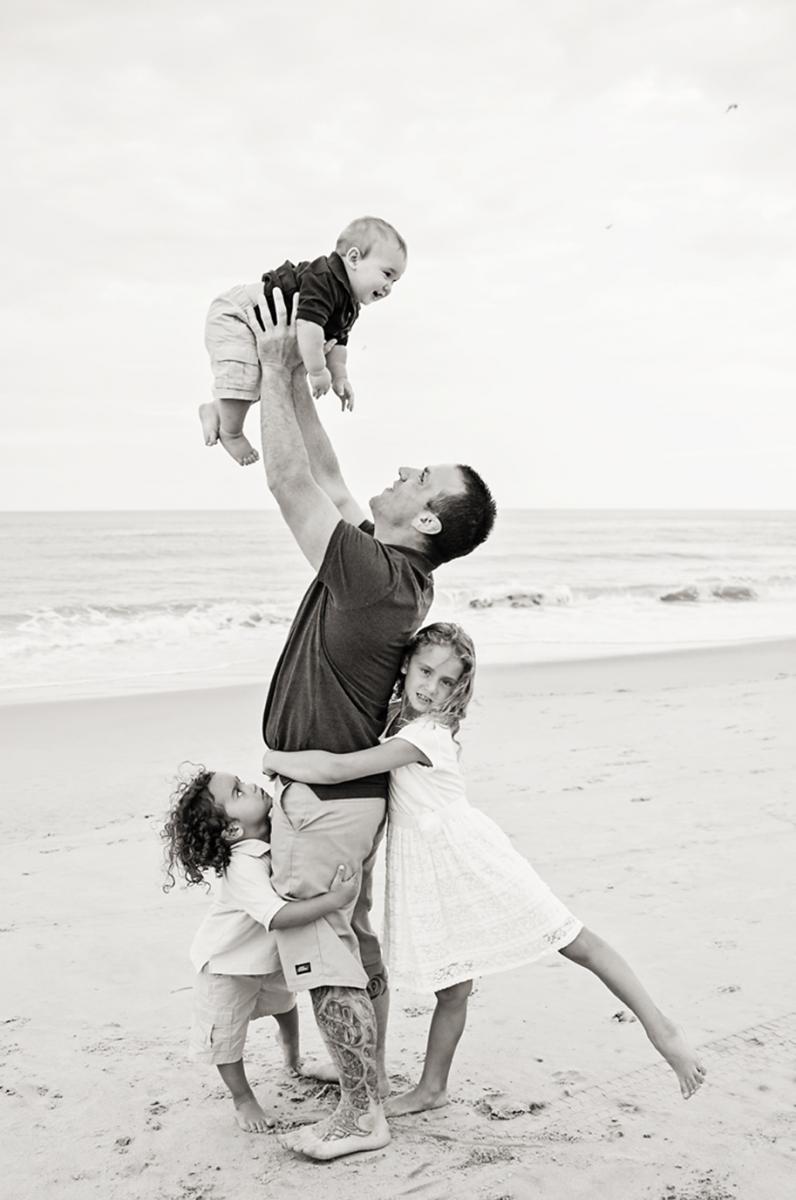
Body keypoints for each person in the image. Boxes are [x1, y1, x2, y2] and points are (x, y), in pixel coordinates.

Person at [263, 622, 708, 1116]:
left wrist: (275, 757)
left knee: (572, 939)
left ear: (459, 689)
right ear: (406, 664)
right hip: (427, 863)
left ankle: (661, 1029)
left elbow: (338, 770)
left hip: (466, 854)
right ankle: (432, 1088)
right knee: (452, 985)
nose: (431, 688)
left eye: (446, 681)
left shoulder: (426, 734)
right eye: (426, 671)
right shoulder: (399, 718)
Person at [246, 286, 496, 1160]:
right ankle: (368, 1080)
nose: (400, 471)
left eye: (418, 478)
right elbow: (327, 472)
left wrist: (276, 368)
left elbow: (287, 481)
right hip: (334, 795)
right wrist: (302, 389)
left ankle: (362, 1116)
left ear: (426, 519)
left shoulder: (376, 577)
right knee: (352, 944)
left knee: (325, 952)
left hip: (325, 799)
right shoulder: (392, 569)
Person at [161, 766, 358, 1133]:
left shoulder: (272, 839)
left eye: (242, 783)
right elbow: (279, 915)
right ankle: (243, 1099)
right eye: (238, 792)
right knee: (225, 1037)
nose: (250, 785)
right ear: (233, 830)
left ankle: (294, 1061)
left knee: (285, 1007)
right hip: (228, 965)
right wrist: (335, 900)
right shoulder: (241, 864)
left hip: (265, 959)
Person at [199, 215, 407, 466]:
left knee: (261, 382)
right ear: (354, 258)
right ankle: (231, 433)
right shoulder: (324, 279)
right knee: (243, 375)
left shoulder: (349, 305)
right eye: (387, 274)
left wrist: (341, 377)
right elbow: (308, 326)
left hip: (260, 327)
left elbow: (339, 345)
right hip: (239, 315)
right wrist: (318, 371)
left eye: (395, 281)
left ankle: (216, 409)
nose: (389, 288)